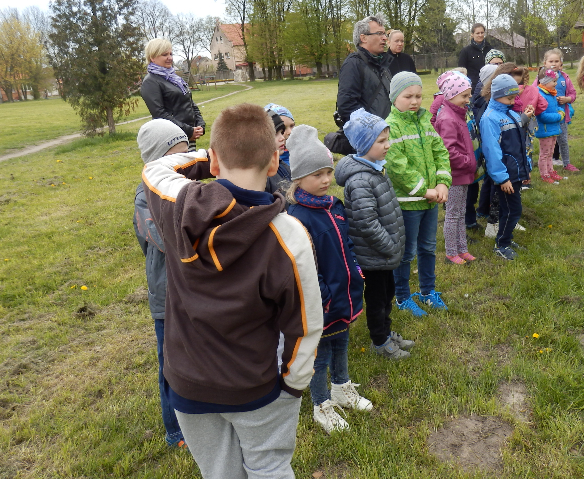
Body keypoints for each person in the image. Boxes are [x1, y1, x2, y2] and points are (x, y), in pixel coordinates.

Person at [141, 103, 323, 479]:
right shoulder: (290, 236)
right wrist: (294, 383)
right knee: (270, 469)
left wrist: (214, 155)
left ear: (213, 162)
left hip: (189, 386)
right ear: (275, 163)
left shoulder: (176, 207)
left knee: (219, 473)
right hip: (257, 385)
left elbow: (156, 169)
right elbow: (306, 324)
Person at [285, 125, 371, 434]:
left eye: (328, 172)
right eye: (317, 175)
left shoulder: (334, 207)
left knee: (341, 344)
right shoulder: (297, 217)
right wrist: (323, 296)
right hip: (322, 303)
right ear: (299, 178)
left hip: (345, 294)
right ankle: (321, 404)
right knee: (319, 356)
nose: (325, 180)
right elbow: (303, 265)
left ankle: (341, 386)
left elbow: (347, 245)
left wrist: (356, 271)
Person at [133, 119, 192, 450]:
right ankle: (175, 430)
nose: (182, 163)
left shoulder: (185, 187)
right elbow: (163, 238)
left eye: (186, 154)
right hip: (167, 297)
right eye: (175, 157)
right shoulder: (146, 196)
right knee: (170, 363)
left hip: (190, 291)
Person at [336, 108, 412, 361]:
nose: (387, 145)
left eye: (387, 139)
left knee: (387, 294)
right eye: (381, 141)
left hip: (383, 254)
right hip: (375, 254)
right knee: (378, 299)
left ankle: (386, 333)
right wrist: (390, 246)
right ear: (364, 145)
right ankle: (380, 342)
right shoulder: (360, 180)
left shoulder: (375, 169)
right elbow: (367, 223)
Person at [386, 72, 452, 317]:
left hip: (431, 200)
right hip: (408, 203)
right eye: (408, 96)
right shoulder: (391, 127)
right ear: (394, 97)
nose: (414, 101)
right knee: (406, 253)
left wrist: (443, 183)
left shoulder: (425, 121)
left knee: (428, 247)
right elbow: (397, 167)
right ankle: (402, 297)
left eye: (418, 96)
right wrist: (425, 190)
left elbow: (440, 152)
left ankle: (427, 291)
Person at [479, 74, 534, 261]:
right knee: (513, 210)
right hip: (506, 176)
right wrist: (501, 178)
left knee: (509, 209)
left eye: (514, 97)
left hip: (515, 172)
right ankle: (501, 244)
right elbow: (491, 151)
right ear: (497, 95)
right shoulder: (490, 119)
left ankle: (506, 238)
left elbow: (520, 145)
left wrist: (526, 167)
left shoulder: (511, 114)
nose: (512, 101)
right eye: (509, 98)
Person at [434, 73, 478, 265]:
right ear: (451, 95)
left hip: (463, 173)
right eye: (464, 96)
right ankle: (451, 252)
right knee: (453, 215)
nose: (468, 99)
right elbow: (448, 150)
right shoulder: (448, 118)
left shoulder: (457, 114)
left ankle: (462, 249)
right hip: (455, 175)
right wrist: (468, 162)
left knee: (461, 213)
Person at [140, 38, 206, 151]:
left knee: (190, 162)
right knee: (180, 163)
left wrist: (200, 125)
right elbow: (159, 114)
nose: (170, 58)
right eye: (164, 54)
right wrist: (188, 130)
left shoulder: (175, 79)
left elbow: (190, 102)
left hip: (188, 136)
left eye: (171, 54)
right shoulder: (150, 82)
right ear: (152, 57)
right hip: (171, 138)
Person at [336, 13, 393, 124]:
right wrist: (374, 128)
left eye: (384, 34)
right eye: (379, 33)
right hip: (371, 133)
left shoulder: (383, 65)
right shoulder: (353, 64)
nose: (385, 38)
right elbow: (347, 107)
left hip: (389, 131)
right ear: (363, 38)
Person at [541, 49, 579, 173]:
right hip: (547, 116)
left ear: (561, 62)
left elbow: (573, 94)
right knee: (549, 142)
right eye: (551, 61)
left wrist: (567, 99)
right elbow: (535, 92)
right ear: (545, 63)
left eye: (556, 61)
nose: (554, 63)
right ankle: (547, 166)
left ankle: (566, 163)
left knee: (563, 140)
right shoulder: (541, 77)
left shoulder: (564, 77)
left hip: (562, 115)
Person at [512, 65, 548, 192]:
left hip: (512, 123)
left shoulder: (509, 90)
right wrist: (533, 111)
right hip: (528, 123)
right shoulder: (533, 90)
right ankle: (527, 178)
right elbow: (543, 104)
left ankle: (516, 177)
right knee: (527, 149)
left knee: (515, 150)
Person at [534, 69, 566, 184]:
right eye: (553, 81)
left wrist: (561, 111)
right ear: (545, 81)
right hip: (545, 129)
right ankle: (545, 174)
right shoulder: (540, 95)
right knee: (545, 153)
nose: (556, 83)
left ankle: (551, 171)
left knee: (551, 152)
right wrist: (558, 116)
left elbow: (556, 107)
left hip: (553, 129)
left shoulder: (551, 93)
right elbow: (542, 116)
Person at [265, 109, 291, 195]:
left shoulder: (281, 164)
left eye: (281, 132)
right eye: (276, 134)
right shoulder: (263, 177)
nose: (282, 138)